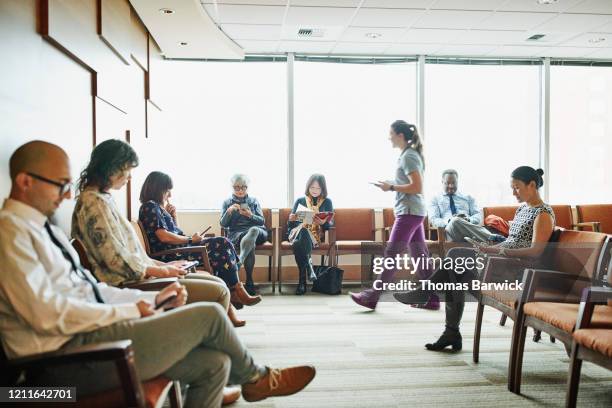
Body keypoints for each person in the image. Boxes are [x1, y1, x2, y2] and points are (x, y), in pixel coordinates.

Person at [0, 141, 316, 407]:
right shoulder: (10, 236)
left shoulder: (42, 230)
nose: (67, 195)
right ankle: (257, 377)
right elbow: (45, 315)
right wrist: (130, 308)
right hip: (62, 360)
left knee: (214, 364)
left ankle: (253, 379)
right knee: (208, 316)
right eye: (60, 185)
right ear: (26, 181)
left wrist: (147, 300)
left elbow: (92, 288)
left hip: (89, 333)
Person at [71, 141, 250, 327]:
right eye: (127, 169)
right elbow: (116, 260)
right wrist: (161, 269)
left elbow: (130, 254)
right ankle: (230, 300)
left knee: (219, 284)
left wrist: (159, 264)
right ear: (111, 167)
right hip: (130, 283)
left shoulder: (103, 200)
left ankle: (233, 294)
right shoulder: (94, 204)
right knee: (219, 289)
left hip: (145, 271)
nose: (130, 176)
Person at [394, 166, 555, 352]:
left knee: (454, 262)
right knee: (454, 273)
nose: (513, 192)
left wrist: (500, 253)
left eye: (517, 187)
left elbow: (535, 251)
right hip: (500, 263)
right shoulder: (522, 210)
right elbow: (511, 242)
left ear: (532, 185)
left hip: (515, 272)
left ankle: (429, 301)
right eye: (512, 187)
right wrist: (489, 249)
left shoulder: (542, 213)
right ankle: (448, 329)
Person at [137, 170, 261, 314]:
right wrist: (190, 239)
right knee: (221, 244)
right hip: (170, 255)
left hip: (178, 248)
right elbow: (163, 236)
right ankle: (235, 292)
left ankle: (234, 295)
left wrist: (173, 216)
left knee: (222, 246)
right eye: (167, 190)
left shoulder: (158, 208)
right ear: (157, 189)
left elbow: (176, 232)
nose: (169, 195)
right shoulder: (150, 206)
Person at [350, 120, 439, 310]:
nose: (388, 137)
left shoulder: (409, 156)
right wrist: (390, 184)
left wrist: (391, 187)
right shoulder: (408, 155)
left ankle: (371, 296)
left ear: (400, 135)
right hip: (413, 211)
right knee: (420, 256)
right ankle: (432, 298)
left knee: (392, 253)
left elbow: (417, 186)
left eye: (391, 133)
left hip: (409, 212)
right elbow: (409, 183)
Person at [220, 174, 268, 296]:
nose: (240, 190)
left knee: (253, 231)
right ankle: (250, 282)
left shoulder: (253, 201)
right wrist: (229, 212)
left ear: (247, 187)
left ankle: (240, 260)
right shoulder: (227, 202)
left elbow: (262, 221)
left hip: (258, 232)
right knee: (248, 242)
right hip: (237, 234)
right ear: (232, 187)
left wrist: (250, 215)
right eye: (237, 188)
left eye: (243, 187)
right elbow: (223, 224)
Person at [287, 174, 334, 295]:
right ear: (308, 187)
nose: (315, 191)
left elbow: (330, 223)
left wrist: (323, 223)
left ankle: (302, 281)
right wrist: (291, 219)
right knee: (303, 230)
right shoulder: (300, 200)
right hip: (297, 233)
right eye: (312, 187)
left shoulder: (327, 201)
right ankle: (309, 267)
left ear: (323, 189)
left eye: (318, 188)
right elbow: (291, 224)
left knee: (298, 245)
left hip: (315, 236)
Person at [429, 169, 491, 242]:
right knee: (455, 221)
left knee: (458, 220)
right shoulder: (435, 199)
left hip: (469, 229)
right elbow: (434, 219)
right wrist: (449, 221)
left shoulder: (468, 197)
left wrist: (468, 219)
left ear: (457, 182)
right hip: (450, 232)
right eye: (447, 183)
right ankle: (492, 237)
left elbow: (478, 216)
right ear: (442, 182)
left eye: (454, 183)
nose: (451, 186)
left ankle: (491, 240)